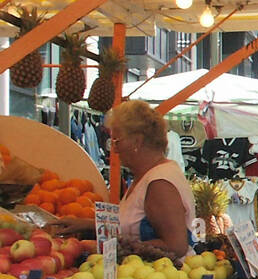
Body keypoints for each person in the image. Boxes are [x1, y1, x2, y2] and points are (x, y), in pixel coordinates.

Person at [53, 100, 196, 260]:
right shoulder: (145, 176)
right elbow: (129, 225)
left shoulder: (159, 183)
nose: (114, 148)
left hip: (160, 278)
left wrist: (119, 247)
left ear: (137, 141)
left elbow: (176, 246)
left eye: (117, 141)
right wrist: (88, 224)